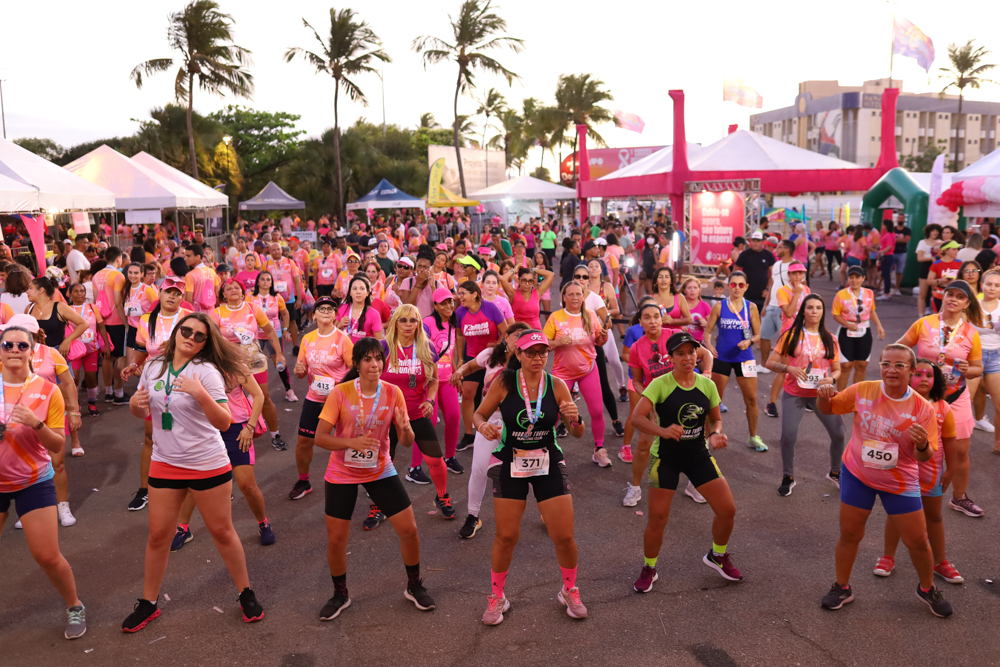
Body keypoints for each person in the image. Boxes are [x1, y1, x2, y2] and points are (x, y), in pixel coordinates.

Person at [123, 313, 265, 631]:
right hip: (165, 462)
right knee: (158, 535)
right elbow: (141, 410)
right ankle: (148, 603)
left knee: (222, 532)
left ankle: (246, 593)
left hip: (206, 462)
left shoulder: (207, 371)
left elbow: (224, 422)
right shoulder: (153, 366)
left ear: (205, 343)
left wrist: (200, 393)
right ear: (176, 332)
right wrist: (134, 403)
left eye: (199, 336)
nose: (190, 337)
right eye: (186, 331)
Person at [816, 344, 953, 618]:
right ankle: (841, 587)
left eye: (899, 365)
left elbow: (924, 456)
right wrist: (822, 396)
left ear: (911, 371)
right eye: (886, 364)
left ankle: (927, 588)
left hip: (899, 483)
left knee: (918, 540)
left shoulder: (922, 408)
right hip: (858, 474)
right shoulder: (863, 390)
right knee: (850, 533)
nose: (892, 370)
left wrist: (922, 444)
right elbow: (829, 408)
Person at [313, 337, 435, 619]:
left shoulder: (393, 393)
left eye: (378, 358)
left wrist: (405, 428)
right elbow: (320, 438)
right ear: (356, 364)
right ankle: (340, 594)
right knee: (337, 540)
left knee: (409, 529)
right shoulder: (341, 392)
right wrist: (351, 443)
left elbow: (406, 442)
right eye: (367, 359)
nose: (374, 364)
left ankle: (414, 586)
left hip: (379, 469)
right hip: (342, 471)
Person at [475, 329, 587, 625]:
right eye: (531, 352)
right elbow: (478, 414)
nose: (538, 357)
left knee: (564, 535)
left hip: (548, 461)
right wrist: (483, 426)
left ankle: (569, 590)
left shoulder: (557, 385)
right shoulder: (504, 382)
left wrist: (575, 418)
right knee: (506, 536)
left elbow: (577, 432)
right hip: (510, 460)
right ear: (519, 354)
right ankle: (498, 596)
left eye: (543, 352)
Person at [629, 331, 741, 592]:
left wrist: (715, 434)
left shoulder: (707, 385)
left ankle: (717, 555)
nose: (688, 357)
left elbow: (715, 419)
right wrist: (663, 431)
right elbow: (637, 418)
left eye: (692, 352)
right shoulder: (660, 384)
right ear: (671, 358)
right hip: (665, 458)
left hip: (697, 455)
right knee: (658, 518)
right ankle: (649, 567)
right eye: (680, 353)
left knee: (727, 510)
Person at [0, 323, 86, 639]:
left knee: (47, 556)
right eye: (7, 345)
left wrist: (36, 424)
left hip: (32, 480)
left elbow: (57, 444)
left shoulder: (49, 391)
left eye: (22, 345)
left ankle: (75, 605)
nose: (14, 350)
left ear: (31, 350)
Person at [897, 280, 984, 518]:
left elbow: (978, 368)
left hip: (955, 398)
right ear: (942, 297)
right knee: (916, 446)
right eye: (950, 294)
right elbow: (899, 350)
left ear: (967, 304)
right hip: (922, 399)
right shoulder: (924, 323)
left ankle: (959, 497)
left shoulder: (971, 332)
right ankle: (908, 492)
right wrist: (908, 370)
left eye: (959, 297)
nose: (953, 299)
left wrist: (968, 369)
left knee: (960, 452)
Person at [168, 359, 274, 551]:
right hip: (207, 428)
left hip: (237, 429)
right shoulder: (195, 366)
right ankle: (183, 529)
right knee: (195, 484)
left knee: (247, 485)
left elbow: (258, 395)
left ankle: (263, 523)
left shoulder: (233, 365)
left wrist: (250, 428)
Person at [873, 359, 963, 584]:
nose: (924, 379)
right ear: (909, 376)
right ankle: (887, 557)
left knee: (934, 516)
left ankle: (940, 562)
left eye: (929, 375)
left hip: (931, 473)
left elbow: (950, 441)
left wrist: (951, 470)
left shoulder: (943, 408)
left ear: (936, 380)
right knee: (896, 515)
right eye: (919, 374)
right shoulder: (895, 404)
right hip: (900, 472)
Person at [622, 304, 713, 508]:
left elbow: (706, 355)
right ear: (640, 322)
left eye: (656, 316)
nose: (653, 321)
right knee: (644, 445)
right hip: (657, 400)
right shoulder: (637, 347)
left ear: (662, 318)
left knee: (695, 441)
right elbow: (637, 381)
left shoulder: (675, 336)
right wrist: (649, 399)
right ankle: (635, 487)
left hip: (687, 396)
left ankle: (693, 484)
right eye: (647, 317)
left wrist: (706, 375)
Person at [451, 323, 531, 539]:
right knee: (479, 469)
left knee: (531, 470)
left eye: (524, 336)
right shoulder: (490, 355)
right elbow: (470, 367)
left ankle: (548, 508)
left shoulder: (528, 361)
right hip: (490, 421)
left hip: (518, 422)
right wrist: (459, 371)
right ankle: (472, 515)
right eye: (516, 335)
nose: (519, 339)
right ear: (506, 337)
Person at [122, 276, 192, 511]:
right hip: (154, 384)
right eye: (168, 291)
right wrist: (134, 364)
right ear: (159, 293)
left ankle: (200, 482)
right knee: (151, 437)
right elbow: (143, 350)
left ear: (182, 298)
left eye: (177, 293)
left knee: (187, 434)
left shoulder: (189, 318)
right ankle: (145, 489)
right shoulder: (146, 320)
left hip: (183, 383)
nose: (172, 296)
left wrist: (176, 348)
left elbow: (203, 348)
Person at [765, 294, 846, 496]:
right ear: (803, 311)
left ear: (823, 312)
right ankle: (788, 477)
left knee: (839, 434)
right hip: (795, 393)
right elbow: (769, 362)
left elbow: (837, 370)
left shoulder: (830, 339)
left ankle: (835, 472)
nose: (814, 311)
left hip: (821, 394)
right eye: (810, 307)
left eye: (818, 308)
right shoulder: (791, 336)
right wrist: (788, 368)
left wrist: (832, 379)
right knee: (788, 436)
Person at [381, 304, 454, 517]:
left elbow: (434, 380)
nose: (408, 324)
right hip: (387, 416)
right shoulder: (383, 347)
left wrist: (430, 401)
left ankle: (442, 496)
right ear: (395, 323)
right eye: (403, 320)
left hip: (416, 413)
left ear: (418, 324)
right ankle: (379, 504)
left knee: (435, 460)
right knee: (384, 462)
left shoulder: (426, 347)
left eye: (413, 320)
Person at [289, 296, 354, 501]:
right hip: (315, 398)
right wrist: (299, 370)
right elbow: (301, 372)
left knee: (347, 443)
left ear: (335, 315)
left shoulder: (342, 339)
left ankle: (360, 481)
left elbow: (355, 369)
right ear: (314, 314)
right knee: (303, 441)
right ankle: (304, 481)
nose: (326, 311)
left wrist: (339, 386)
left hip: (340, 400)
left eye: (330, 309)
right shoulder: (308, 339)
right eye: (322, 308)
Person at [544, 281, 613, 466]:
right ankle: (546, 449)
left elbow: (598, 341)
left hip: (588, 370)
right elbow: (543, 345)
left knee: (597, 411)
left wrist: (603, 337)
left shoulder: (590, 314)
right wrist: (559, 342)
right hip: (562, 374)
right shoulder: (555, 317)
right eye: (571, 294)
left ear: (583, 296)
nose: (575, 297)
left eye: (578, 294)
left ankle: (599, 450)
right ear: (564, 297)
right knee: (553, 414)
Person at [703, 271, 767, 452]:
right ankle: (706, 438)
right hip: (721, 357)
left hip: (745, 359)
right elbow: (708, 331)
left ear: (746, 287)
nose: (737, 288)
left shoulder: (751, 308)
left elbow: (758, 334)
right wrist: (708, 345)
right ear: (728, 286)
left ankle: (753, 437)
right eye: (733, 284)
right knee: (714, 401)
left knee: (752, 400)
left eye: (741, 285)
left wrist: (750, 341)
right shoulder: (719, 306)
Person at [454, 281, 507, 448]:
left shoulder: (490, 308)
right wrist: (460, 359)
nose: (459, 297)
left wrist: (497, 346)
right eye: (459, 293)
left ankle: (498, 430)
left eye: (463, 293)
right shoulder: (460, 312)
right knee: (468, 394)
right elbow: (459, 336)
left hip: (493, 358)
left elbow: (505, 332)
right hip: (472, 357)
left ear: (475, 294)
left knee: (494, 395)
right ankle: (469, 435)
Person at [421, 289, 463, 478]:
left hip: (447, 380)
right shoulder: (427, 323)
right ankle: (415, 467)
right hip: (430, 381)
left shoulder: (452, 323)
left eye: (450, 302)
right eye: (444, 303)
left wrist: (455, 374)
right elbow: (422, 353)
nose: (448, 306)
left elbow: (449, 352)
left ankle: (450, 457)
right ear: (435, 305)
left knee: (454, 417)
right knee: (427, 423)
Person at [249, 271, 296, 417]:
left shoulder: (277, 297)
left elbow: (285, 314)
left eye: (268, 279)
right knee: (254, 363)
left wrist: (286, 330)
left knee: (280, 363)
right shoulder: (250, 297)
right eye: (262, 279)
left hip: (274, 335)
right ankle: (253, 393)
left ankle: (288, 390)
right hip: (255, 336)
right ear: (258, 282)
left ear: (271, 283)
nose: (265, 282)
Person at [832, 266, 886, 390]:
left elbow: (871, 311)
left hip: (864, 330)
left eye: (857, 277)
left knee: (861, 365)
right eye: (851, 277)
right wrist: (847, 324)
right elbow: (835, 315)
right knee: (846, 366)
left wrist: (879, 326)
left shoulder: (869, 293)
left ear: (863, 278)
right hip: (846, 331)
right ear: (848, 279)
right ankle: (841, 396)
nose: (854, 280)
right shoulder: (841, 295)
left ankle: (856, 395)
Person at [94, 247, 129, 403]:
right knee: (120, 357)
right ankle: (119, 394)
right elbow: (118, 302)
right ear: (118, 258)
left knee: (107, 357)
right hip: (117, 321)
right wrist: (126, 323)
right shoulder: (118, 275)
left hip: (102, 320)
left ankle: (108, 392)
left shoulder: (96, 275)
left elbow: (96, 302)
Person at [67, 282, 107, 417]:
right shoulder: (67, 309)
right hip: (74, 349)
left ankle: (92, 403)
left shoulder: (92, 307)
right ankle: (76, 403)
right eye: (76, 291)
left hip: (92, 349)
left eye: (82, 291)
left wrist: (106, 345)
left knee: (91, 377)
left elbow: (101, 327)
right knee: (74, 378)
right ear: (70, 294)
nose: (79, 294)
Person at [972, 268, 1000, 442]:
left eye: (997, 285)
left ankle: (998, 443)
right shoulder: (972, 305)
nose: (993, 288)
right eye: (989, 284)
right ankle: (956, 446)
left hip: (996, 357)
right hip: (973, 356)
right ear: (982, 285)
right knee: (962, 402)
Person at [500, 265, 553, 331]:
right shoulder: (512, 293)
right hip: (518, 331)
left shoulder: (537, 292)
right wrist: (514, 271)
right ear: (519, 280)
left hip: (535, 331)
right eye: (524, 281)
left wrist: (533, 269)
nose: (527, 284)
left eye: (530, 281)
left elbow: (551, 275)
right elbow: (503, 279)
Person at [734, 231, 775, 313]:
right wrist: (738, 288)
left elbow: (773, 274)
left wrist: (767, 289)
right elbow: (735, 272)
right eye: (753, 240)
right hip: (746, 292)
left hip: (762, 293)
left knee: (761, 316)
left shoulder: (768, 255)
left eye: (758, 241)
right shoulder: (744, 254)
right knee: (745, 315)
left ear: (763, 242)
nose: (755, 243)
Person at [336, 275, 384, 344]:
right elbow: (332, 332)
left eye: (362, 289)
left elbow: (379, 341)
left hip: (364, 350)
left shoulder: (374, 314)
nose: (358, 292)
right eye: (355, 288)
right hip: (343, 349)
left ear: (367, 293)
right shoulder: (342, 308)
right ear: (350, 292)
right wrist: (339, 325)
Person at [916, 224, 942, 317]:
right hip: (925, 267)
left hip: (937, 268)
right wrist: (932, 258)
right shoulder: (922, 242)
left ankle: (937, 315)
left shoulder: (941, 242)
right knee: (922, 294)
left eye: (937, 231)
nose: (935, 233)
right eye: (933, 231)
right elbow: (919, 258)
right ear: (928, 232)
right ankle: (920, 316)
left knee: (937, 293)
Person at [928, 241, 962, 312]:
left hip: (955, 295)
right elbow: (929, 281)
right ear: (946, 250)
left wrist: (956, 282)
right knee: (938, 316)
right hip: (940, 295)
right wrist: (940, 281)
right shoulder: (936, 264)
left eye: (957, 249)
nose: (957, 251)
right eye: (954, 249)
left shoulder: (960, 263)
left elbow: (965, 279)